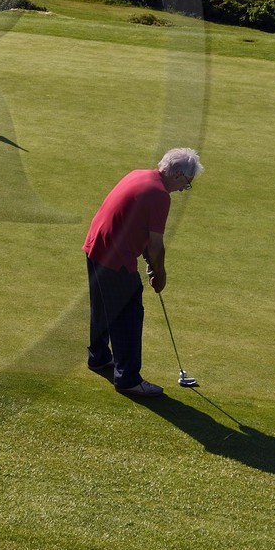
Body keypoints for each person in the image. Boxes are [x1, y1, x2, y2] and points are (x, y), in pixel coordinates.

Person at [84, 148, 202, 397]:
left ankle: (98, 357)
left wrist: (150, 261)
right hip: (115, 257)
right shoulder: (160, 195)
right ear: (178, 174)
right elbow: (156, 243)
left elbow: (141, 232)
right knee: (129, 315)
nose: (183, 190)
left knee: (103, 307)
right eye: (186, 184)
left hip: (95, 247)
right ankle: (127, 379)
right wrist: (160, 273)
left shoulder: (138, 175)